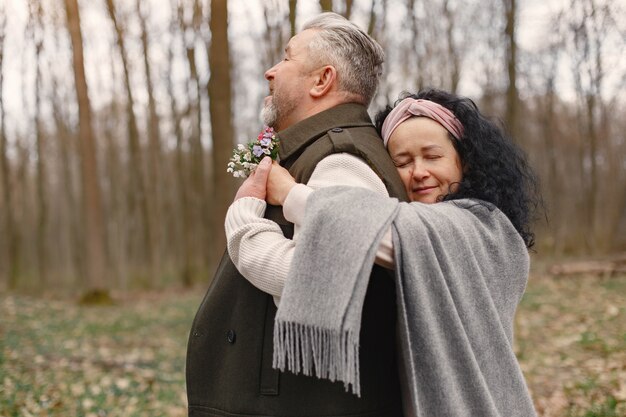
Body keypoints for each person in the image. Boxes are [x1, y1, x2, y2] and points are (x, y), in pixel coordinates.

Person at [227, 88, 541, 416]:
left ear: (464, 159)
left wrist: (285, 196)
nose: (419, 172)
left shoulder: (484, 225)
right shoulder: (432, 227)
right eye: (403, 162)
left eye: (432, 156)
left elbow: (380, 231)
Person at [186, 12, 408, 417]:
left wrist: (244, 221)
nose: (271, 72)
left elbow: (317, 280)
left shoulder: (342, 160)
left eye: (286, 59)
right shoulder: (322, 151)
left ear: (322, 80)